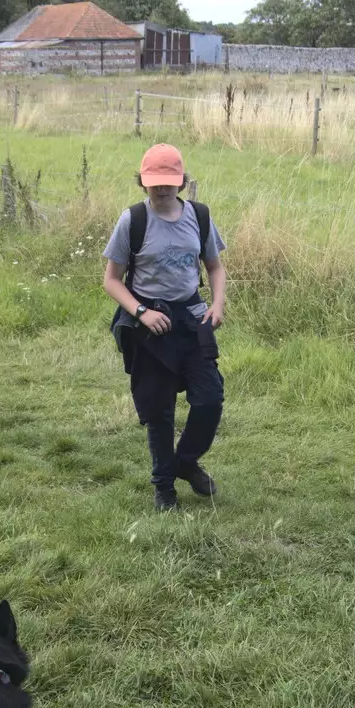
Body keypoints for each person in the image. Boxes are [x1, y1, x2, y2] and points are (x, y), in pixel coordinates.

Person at [102, 144, 228, 511]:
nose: (162, 189)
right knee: (159, 412)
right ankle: (164, 489)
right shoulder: (133, 221)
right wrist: (141, 312)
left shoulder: (200, 217)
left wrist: (217, 304)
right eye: (154, 182)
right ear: (143, 182)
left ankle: (185, 463)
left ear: (182, 182)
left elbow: (215, 267)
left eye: (169, 182)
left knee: (210, 399)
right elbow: (112, 280)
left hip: (191, 319)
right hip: (150, 326)